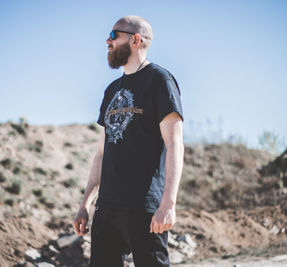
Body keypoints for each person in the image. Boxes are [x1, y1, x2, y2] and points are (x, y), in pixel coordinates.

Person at [73, 15, 184, 267]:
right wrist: (85, 204)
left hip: (144, 208)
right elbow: (101, 153)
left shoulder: (160, 81)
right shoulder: (111, 90)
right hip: (107, 208)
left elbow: (175, 144)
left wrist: (168, 204)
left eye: (114, 35)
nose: (107, 41)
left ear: (136, 40)